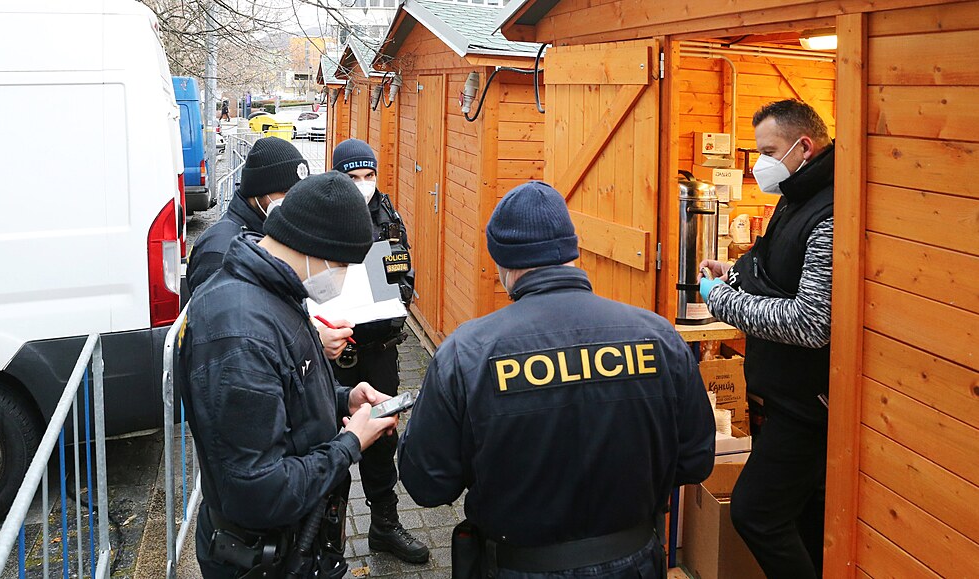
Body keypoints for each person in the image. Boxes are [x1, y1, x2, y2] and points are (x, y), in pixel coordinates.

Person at [398, 181, 716, 577]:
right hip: (635, 561)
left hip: (520, 567)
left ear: (502, 265)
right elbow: (696, 460)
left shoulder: (467, 353)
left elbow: (427, 484)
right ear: (572, 253)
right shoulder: (658, 337)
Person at [176, 171, 400, 579]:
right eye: (346, 264)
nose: (345, 277)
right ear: (318, 249)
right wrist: (350, 444)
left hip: (296, 544)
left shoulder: (276, 290)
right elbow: (259, 492)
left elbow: (286, 391)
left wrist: (343, 399)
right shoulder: (239, 334)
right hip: (260, 560)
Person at [698, 99, 834, 579]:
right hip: (782, 396)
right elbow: (777, 269)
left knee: (755, 513)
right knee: (805, 515)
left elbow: (811, 320)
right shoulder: (797, 195)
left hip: (807, 404)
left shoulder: (829, 211)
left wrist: (720, 300)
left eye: (768, 149)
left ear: (804, 145)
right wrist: (733, 273)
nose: (761, 162)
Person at [325, 138, 428, 564]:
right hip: (333, 352)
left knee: (382, 434)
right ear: (337, 179)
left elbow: (404, 273)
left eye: (368, 176)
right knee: (328, 439)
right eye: (353, 178)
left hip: (379, 349)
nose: (363, 185)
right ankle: (328, 536)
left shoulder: (387, 217)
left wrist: (396, 295)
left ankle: (385, 525)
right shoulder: (320, 218)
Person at [187, 136, 309, 294]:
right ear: (257, 191)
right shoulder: (220, 251)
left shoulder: (269, 230)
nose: (293, 199)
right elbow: (216, 314)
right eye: (285, 191)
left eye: (299, 191)